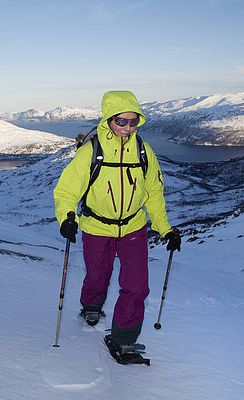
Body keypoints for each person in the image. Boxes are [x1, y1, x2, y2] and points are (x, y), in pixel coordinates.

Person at [53, 90, 181, 365]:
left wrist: (165, 229)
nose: (127, 128)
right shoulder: (92, 151)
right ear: (109, 118)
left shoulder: (144, 151)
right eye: (121, 122)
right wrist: (67, 217)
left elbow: (154, 194)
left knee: (136, 286)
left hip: (133, 227)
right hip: (97, 226)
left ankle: (123, 339)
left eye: (133, 122)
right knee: (98, 274)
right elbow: (66, 191)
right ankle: (91, 305)